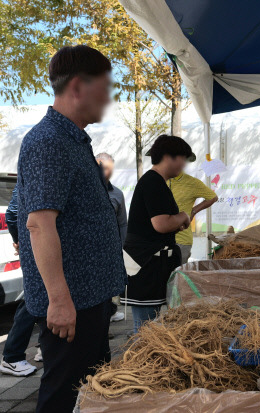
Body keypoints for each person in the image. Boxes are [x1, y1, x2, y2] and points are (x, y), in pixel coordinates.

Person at [17, 45, 126, 412]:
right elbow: (38, 224)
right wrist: (59, 300)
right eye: (105, 87)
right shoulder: (48, 142)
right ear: (78, 86)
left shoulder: (73, 140)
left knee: (91, 391)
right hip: (72, 306)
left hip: (89, 299)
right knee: (64, 396)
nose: (109, 98)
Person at [121, 135, 191, 333]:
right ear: (168, 156)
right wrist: (183, 216)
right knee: (145, 329)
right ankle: (139, 363)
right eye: (182, 158)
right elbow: (161, 224)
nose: (183, 165)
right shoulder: (153, 182)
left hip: (152, 263)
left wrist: (176, 222)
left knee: (150, 326)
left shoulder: (157, 182)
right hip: (145, 264)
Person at [0, 187, 41, 377]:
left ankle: (42, 348)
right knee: (34, 298)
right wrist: (21, 240)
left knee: (39, 297)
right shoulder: (35, 170)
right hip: (37, 247)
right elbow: (13, 212)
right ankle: (12, 357)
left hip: (36, 246)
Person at [96, 152, 127, 322]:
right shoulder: (83, 190)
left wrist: (121, 246)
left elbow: (123, 223)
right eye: (103, 168)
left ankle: (108, 312)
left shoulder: (117, 194)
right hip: (89, 249)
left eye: (110, 169)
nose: (106, 172)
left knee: (108, 284)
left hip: (110, 249)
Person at [169, 162, 217, 264]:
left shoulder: (191, 182)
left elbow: (212, 197)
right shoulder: (160, 180)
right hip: (159, 241)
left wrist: (194, 211)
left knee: (177, 277)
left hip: (181, 240)